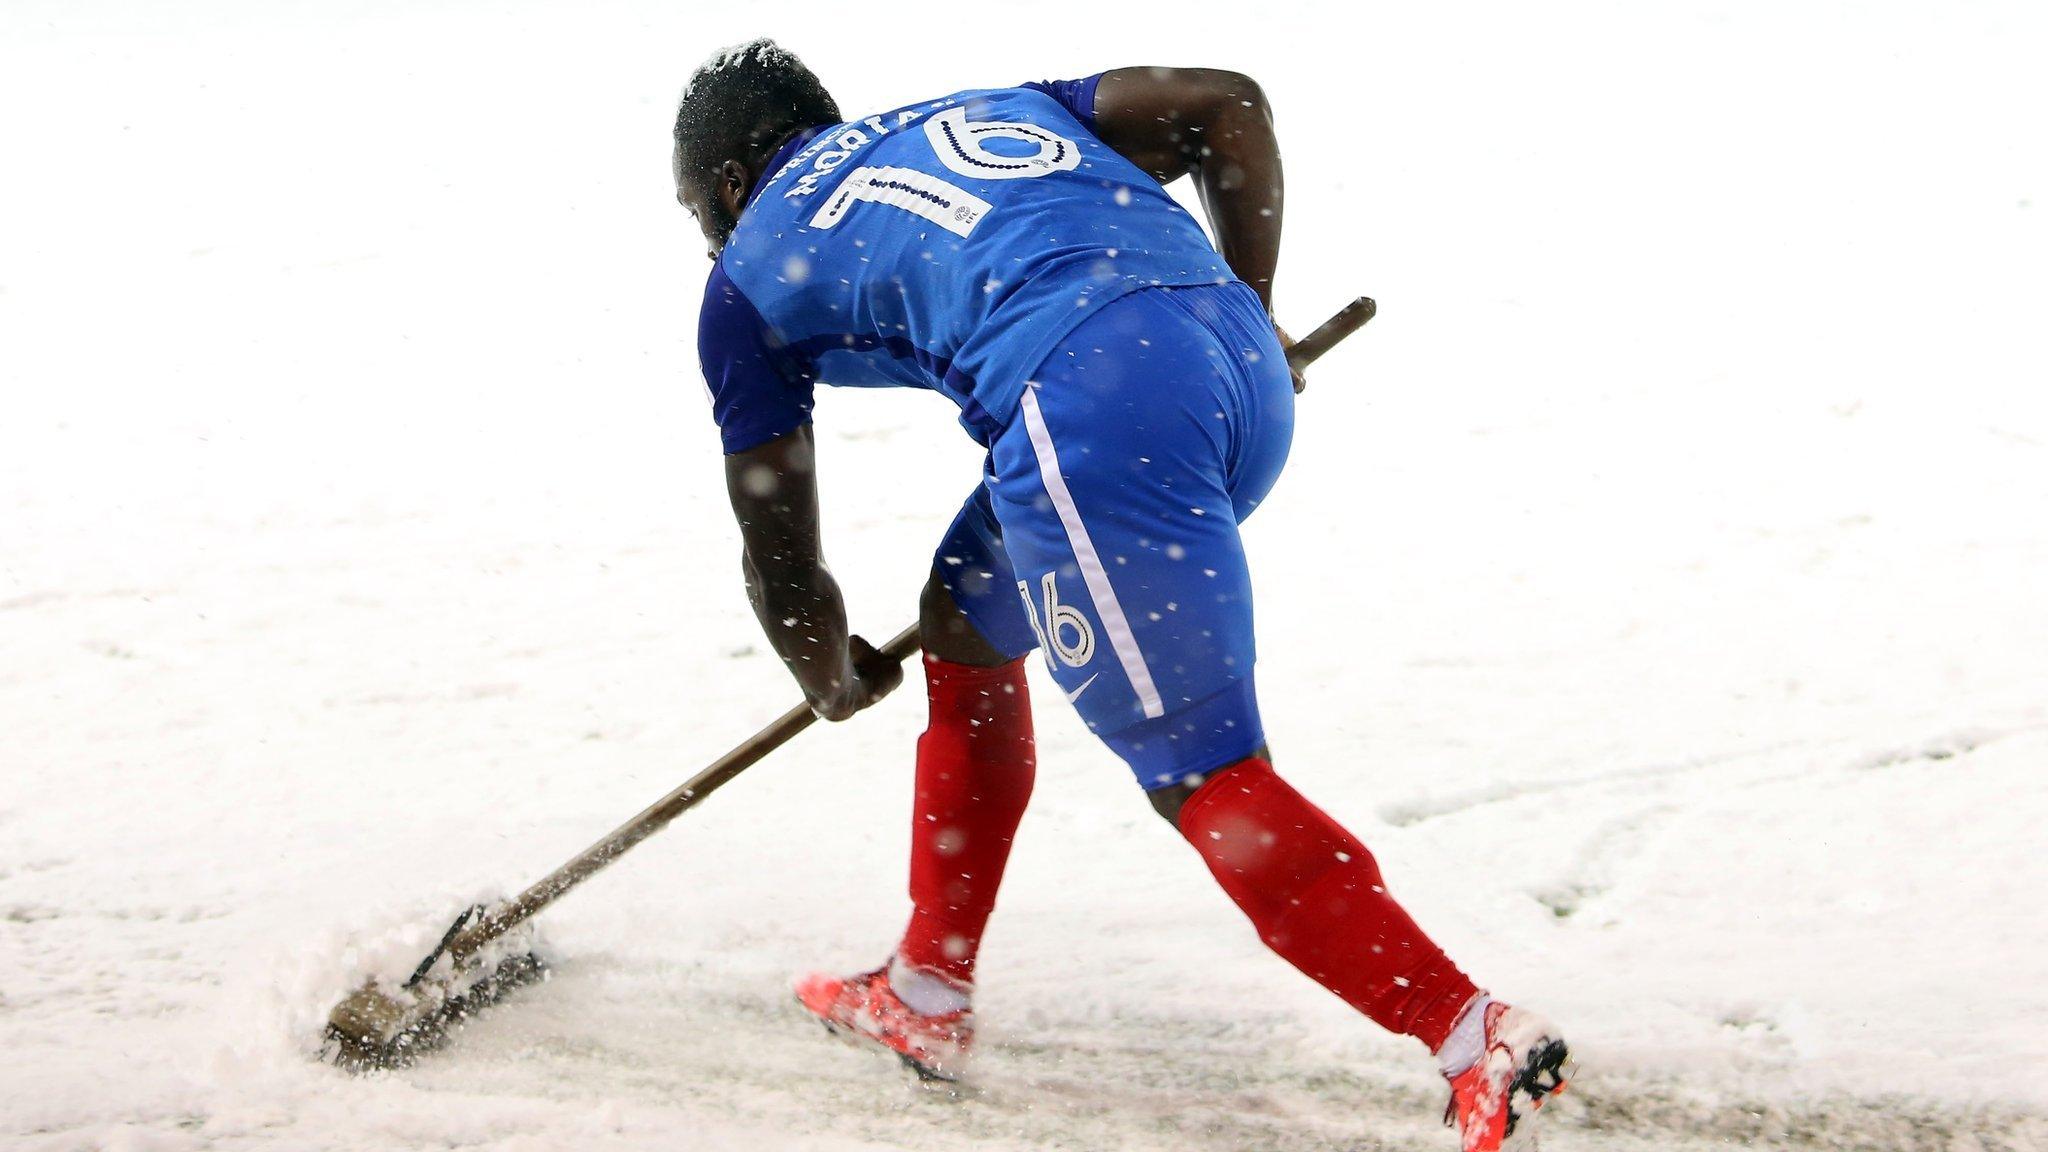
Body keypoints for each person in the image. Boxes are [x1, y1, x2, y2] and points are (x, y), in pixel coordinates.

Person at [672, 39, 1571, 1152]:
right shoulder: (978, 109)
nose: (706, 240)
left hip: (1096, 408)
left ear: (722, 186)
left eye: (693, 214)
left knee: (1200, 771)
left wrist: (822, 674)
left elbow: (776, 551)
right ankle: (926, 985)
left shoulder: (746, 274)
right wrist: (1254, 306)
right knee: (962, 616)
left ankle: (1466, 1030)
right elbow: (1226, 106)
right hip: (1228, 366)